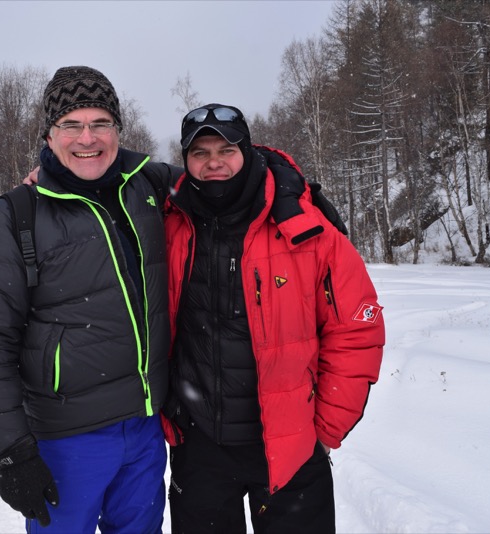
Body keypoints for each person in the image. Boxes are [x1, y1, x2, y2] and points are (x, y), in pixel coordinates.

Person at [0, 66, 181, 534]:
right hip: (67, 438)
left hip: (144, 428)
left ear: (118, 129)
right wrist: (12, 452)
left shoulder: (147, 185)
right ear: (49, 133)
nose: (88, 138)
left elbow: (219, 174)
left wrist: (284, 179)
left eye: (101, 123)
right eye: (71, 125)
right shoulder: (12, 217)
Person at [161, 103, 385, 533]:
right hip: (200, 447)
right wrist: (48, 176)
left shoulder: (305, 225)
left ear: (246, 150)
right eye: (200, 152)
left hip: (291, 446)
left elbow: (357, 328)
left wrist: (325, 428)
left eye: (225, 149)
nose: (213, 163)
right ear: (185, 160)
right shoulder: (170, 220)